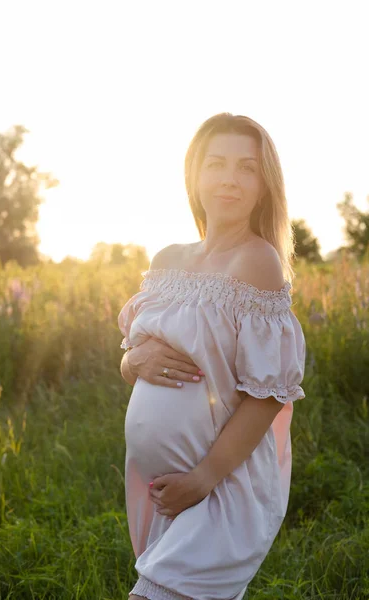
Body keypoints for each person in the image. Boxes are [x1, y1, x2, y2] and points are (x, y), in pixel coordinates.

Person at [117, 113, 306, 600]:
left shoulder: (257, 262)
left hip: (221, 483)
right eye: (216, 163)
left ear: (264, 185)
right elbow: (134, 357)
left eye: (247, 167)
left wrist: (203, 478)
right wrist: (131, 363)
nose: (229, 178)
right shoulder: (166, 261)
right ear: (194, 175)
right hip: (161, 486)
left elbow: (267, 396)